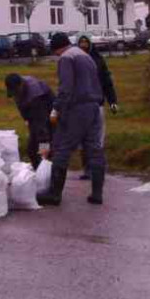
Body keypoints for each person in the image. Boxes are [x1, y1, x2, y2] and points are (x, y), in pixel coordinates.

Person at [38, 32, 107, 206]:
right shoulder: (85, 55)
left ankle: (54, 194)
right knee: (94, 149)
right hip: (95, 107)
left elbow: (66, 88)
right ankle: (97, 194)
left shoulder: (66, 58)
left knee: (62, 146)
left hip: (77, 109)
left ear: (56, 48)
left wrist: (56, 109)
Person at [77, 34, 118, 181]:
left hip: (97, 103)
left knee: (97, 138)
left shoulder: (98, 61)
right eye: (80, 42)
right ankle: (87, 168)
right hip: (80, 105)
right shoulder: (75, 61)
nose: (83, 45)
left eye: (85, 42)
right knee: (83, 138)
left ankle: (98, 167)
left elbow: (107, 82)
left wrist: (113, 101)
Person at [5, 73, 54, 168]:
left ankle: (49, 174)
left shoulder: (35, 94)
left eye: (16, 92)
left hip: (49, 115)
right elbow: (21, 107)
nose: (15, 95)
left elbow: (42, 125)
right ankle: (39, 173)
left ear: (21, 86)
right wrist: (26, 119)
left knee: (44, 147)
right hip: (35, 116)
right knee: (32, 150)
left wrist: (44, 146)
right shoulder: (17, 91)